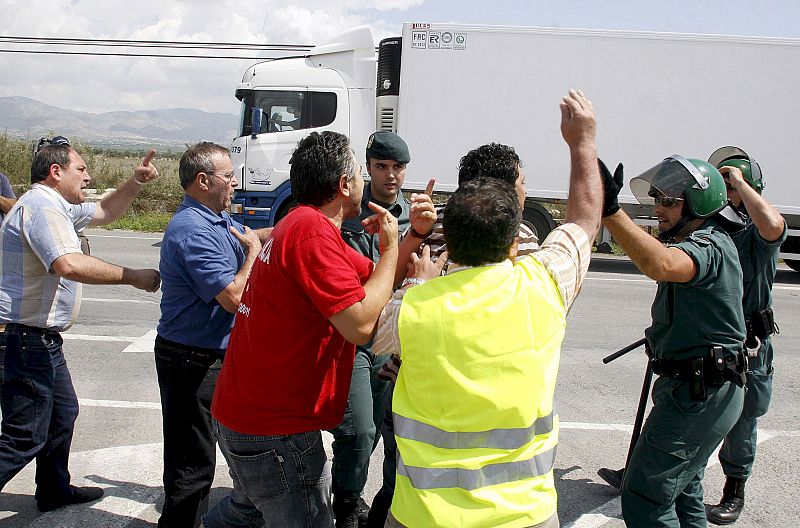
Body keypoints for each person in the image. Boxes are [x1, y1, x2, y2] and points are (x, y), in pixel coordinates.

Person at [371, 89, 601, 528]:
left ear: (449, 241)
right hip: (525, 516)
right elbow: (584, 220)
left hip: (423, 517)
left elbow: (368, 325)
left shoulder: (413, 306)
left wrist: (416, 274)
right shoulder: (546, 284)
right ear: (515, 242)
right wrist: (583, 144)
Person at [203, 130, 400, 528]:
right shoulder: (311, 232)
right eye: (361, 171)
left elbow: (374, 279)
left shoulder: (302, 224)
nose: (364, 179)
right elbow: (360, 324)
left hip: (250, 417)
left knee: (247, 510)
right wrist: (393, 248)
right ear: (345, 185)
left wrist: (408, 241)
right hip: (274, 431)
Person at [366, 141, 540, 528]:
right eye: (522, 182)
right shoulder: (519, 240)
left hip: (415, 392)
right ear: (504, 192)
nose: (526, 190)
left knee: (402, 486)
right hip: (492, 399)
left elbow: (382, 316)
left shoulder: (432, 225)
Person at [0, 138, 161, 512]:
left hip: (37, 340)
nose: (88, 176)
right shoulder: (42, 209)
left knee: (63, 413)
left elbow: (105, 210)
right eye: (81, 169)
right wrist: (132, 275)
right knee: (24, 436)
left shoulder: (54, 205)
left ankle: (54, 488)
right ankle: (53, 487)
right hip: (24, 340)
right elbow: (68, 264)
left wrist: (135, 182)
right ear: (56, 172)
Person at [600, 154, 748, 527]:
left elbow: (662, 265)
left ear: (698, 202)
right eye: (657, 200)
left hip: (701, 394)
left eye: (668, 201)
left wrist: (612, 213)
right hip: (693, 389)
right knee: (684, 495)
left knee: (646, 496)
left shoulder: (709, 245)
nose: (659, 209)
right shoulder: (695, 241)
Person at [155, 142, 271, 528]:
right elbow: (233, 297)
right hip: (191, 359)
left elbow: (251, 234)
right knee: (192, 465)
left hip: (209, 356)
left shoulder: (214, 220)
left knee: (205, 456)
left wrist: (294, 225)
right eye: (228, 176)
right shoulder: (192, 231)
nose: (235, 183)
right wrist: (254, 254)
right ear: (204, 181)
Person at [334, 131, 434, 527]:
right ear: (368, 168)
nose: (391, 175)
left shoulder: (418, 215)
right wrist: (412, 239)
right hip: (356, 339)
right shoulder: (350, 216)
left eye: (398, 167)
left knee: (384, 434)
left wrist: (422, 234)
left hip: (395, 343)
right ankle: (344, 503)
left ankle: (366, 500)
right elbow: (371, 283)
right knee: (358, 432)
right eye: (382, 167)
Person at [705, 146, 786, 525]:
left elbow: (774, 225)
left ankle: (733, 490)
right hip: (710, 336)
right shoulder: (714, 226)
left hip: (750, 343)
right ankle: (646, 474)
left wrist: (740, 181)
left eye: (733, 186)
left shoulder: (759, 233)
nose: (728, 192)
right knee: (678, 406)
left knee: (742, 421)